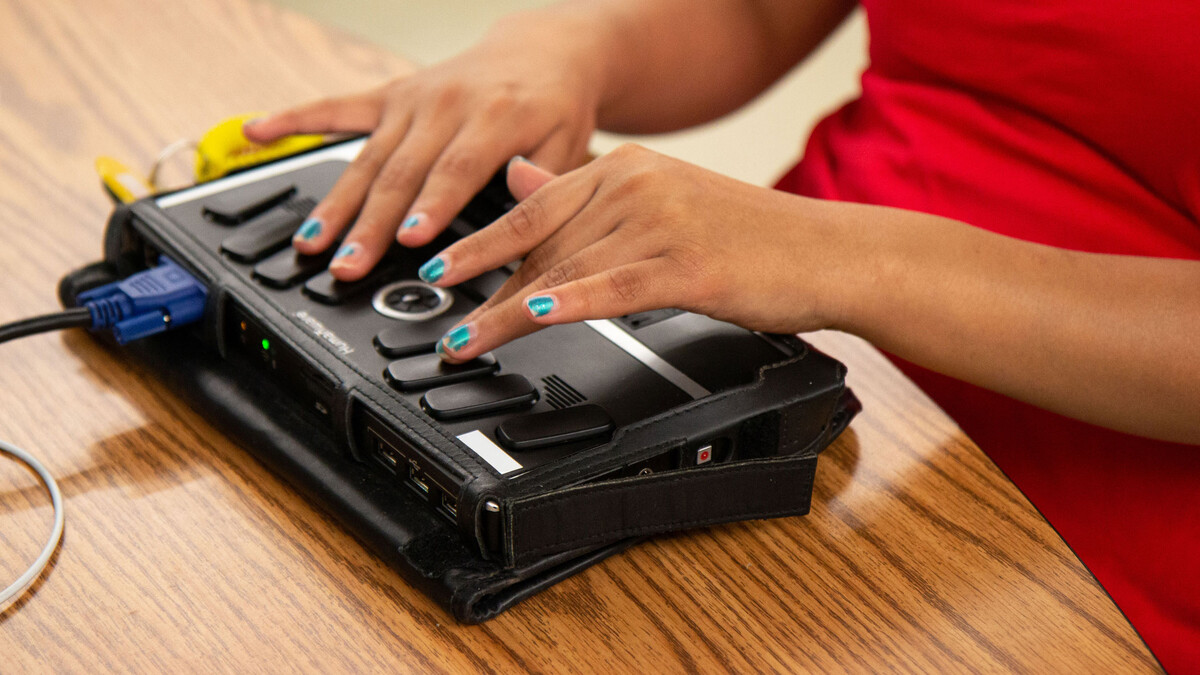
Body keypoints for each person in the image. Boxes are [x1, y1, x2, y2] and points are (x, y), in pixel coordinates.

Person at [244, 1, 1199, 669]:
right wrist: (569, 45)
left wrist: (858, 262)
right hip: (758, 332)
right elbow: (755, 13)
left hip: (1098, 531)